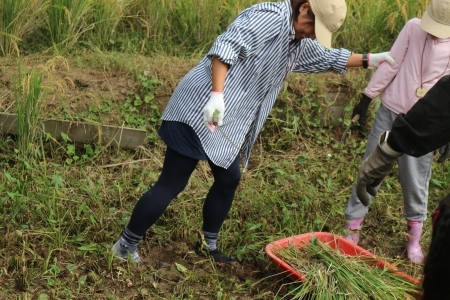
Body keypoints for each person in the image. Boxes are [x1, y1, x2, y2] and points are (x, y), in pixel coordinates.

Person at [111, 0, 395, 264]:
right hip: (201, 107)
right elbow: (226, 48)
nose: (311, 35)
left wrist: (372, 59)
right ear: (305, 8)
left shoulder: (296, 38)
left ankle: (207, 245)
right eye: (312, 27)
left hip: (225, 119)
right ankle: (125, 246)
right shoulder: (270, 18)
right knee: (173, 183)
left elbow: (326, 58)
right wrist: (216, 95)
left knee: (229, 177)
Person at [342, 0, 450, 264]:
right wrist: (367, 97)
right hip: (391, 112)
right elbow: (391, 62)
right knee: (370, 169)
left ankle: (414, 238)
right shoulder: (413, 28)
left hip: (421, 126)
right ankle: (352, 228)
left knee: (415, 180)